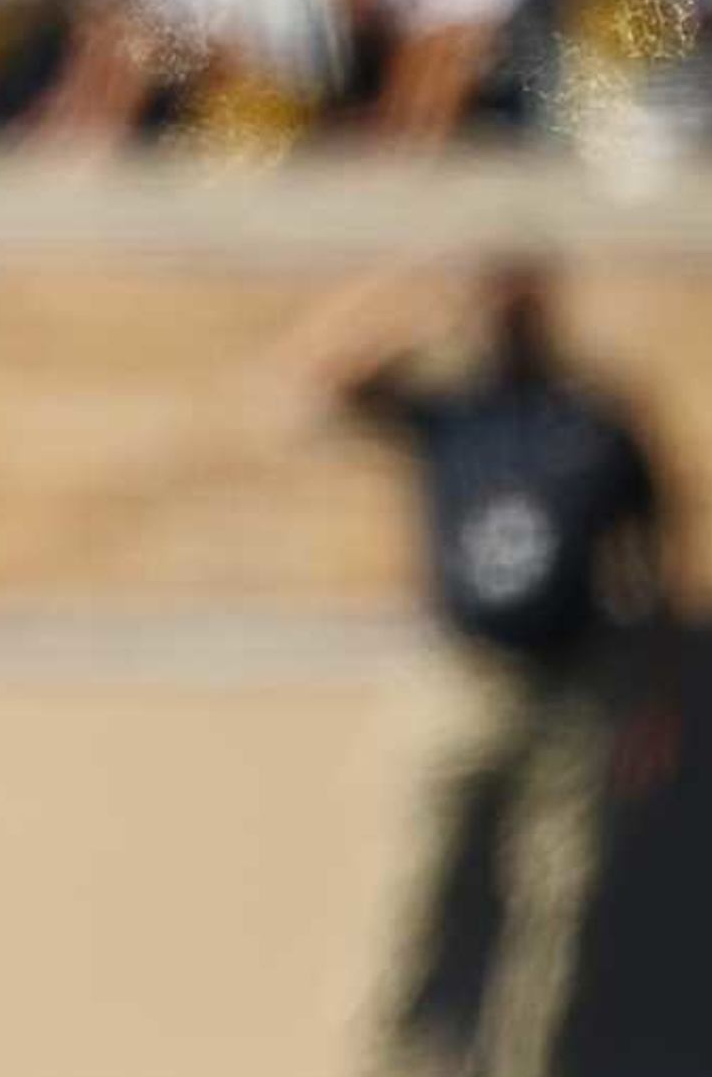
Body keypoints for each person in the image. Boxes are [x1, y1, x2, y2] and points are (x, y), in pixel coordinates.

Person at [281, 255, 687, 1077]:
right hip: (461, 676)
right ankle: (387, 1062)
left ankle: (525, 1064)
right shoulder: (453, 411)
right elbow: (314, 385)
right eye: (493, 304)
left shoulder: (594, 419)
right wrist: (414, 305)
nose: (506, 321)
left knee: (554, 902)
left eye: (521, 304)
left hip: (573, 683)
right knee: (410, 889)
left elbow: (662, 559)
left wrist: (659, 694)